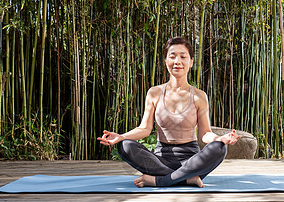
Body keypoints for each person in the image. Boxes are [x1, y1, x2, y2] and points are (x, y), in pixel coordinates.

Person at [97, 36, 240, 188]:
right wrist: (121, 137)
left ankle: (161, 180)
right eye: (172, 56)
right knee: (125, 146)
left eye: (183, 57)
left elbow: (205, 133)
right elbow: (144, 128)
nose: (177, 61)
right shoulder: (154, 93)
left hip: (192, 161)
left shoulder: (199, 96)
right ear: (166, 61)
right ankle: (186, 179)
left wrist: (220, 138)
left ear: (191, 62)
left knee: (219, 148)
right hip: (160, 160)